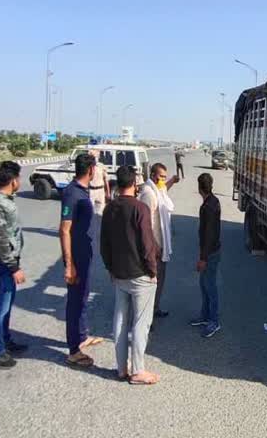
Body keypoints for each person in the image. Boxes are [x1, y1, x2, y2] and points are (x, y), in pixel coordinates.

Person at [101, 166, 160, 385]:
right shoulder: (140, 208)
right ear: (135, 184)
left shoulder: (109, 209)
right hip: (140, 275)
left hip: (119, 275)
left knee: (120, 320)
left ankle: (120, 368)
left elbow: (104, 245)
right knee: (140, 323)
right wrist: (153, 270)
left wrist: (110, 269)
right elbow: (147, 244)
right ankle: (138, 371)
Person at [59, 153, 103, 369]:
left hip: (85, 255)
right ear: (91, 170)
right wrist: (69, 264)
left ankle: (82, 336)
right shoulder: (72, 194)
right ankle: (73, 350)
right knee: (75, 301)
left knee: (83, 297)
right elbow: (64, 230)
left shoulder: (82, 191)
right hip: (76, 258)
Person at [0, 161, 27, 369]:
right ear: (13, 181)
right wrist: (13, 267)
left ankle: (4, 340)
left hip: (8, 261)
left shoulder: (6, 199)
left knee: (6, 306)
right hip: (2, 264)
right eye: (18, 178)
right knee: (0, 308)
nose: (20, 181)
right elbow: (0, 240)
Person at [138, 163, 179, 318]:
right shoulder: (148, 194)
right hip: (154, 248)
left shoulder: (157, 189)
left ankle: (155, 309)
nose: (163, 179)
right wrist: (154, 246)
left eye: (165, 177)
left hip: (160, 246)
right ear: (153, 175)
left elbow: (163, 190)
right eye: (161, 176)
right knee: (152, 283)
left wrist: (172, 182)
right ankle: (147, 316)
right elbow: (145, 224)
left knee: (160, 280)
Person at [190, 173, 222, 338]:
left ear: (199, 187)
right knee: (204, 284)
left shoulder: (208, 207)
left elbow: (208, 234)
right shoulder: (213, 201)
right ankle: (205, 316)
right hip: (212, 251)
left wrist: (203, 258)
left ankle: (214, 321)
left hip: (210, 253)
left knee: (210, 286)